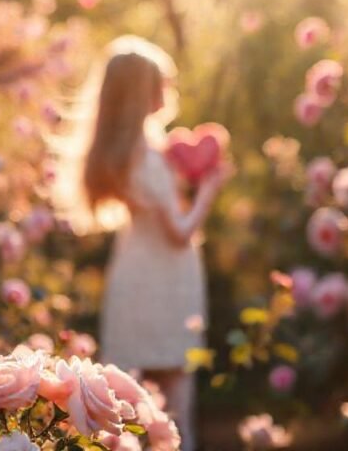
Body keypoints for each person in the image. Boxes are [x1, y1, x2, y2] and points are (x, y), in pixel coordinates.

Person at [52, 36, 227, 450]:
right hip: (165, 283)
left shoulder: (134, 152)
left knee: (127, 411)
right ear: (142, 94)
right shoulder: (146, 158)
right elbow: (179, 232)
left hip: (136, 278)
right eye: (161, 84)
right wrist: (210, 190)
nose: (168, 91)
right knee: (176, 411)